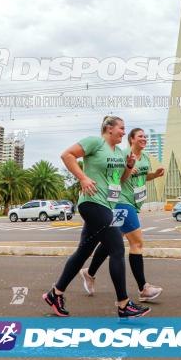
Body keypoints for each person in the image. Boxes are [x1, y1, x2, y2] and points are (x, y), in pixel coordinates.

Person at [43, 116, 151, 319]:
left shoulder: (119, 152)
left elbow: (120, 181)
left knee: (84, 252)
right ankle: (123, 305)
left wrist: (127, 167)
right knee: (117, 249)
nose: (123, 132)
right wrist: (82, 177)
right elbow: (67, 155)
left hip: (107, 206)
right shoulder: (95, 142)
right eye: (121, 128)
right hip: (92, 203)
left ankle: (55, 294)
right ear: (109, 129)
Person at [80, 127, 165, 301]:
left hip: (133, 203)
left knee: (112, 242)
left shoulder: (146, 157)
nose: (144, 139)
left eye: (145, 137)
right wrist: (126, 169)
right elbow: (112, 176)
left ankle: (89, 272)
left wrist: (154, 175)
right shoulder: (124, 155)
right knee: (137, 242)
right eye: (140, 136)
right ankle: (143, 288)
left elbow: (142, 176)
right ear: (131, 139)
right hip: (121, 202)